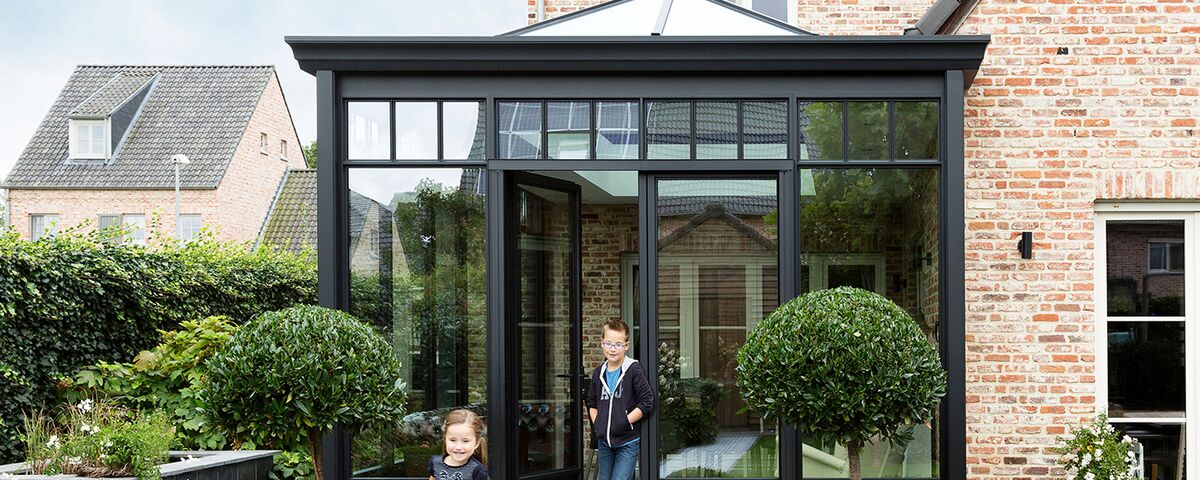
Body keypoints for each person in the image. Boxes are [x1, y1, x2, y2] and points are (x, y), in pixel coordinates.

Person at [586, 318, 654, 480]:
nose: (612, 349)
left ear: (626, 346)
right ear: (602, 343)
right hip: (605, 443)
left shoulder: (633, 370)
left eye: (618, 344)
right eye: (608, 343)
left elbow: (647, 402)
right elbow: (591, 402)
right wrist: (599, 424)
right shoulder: (598, 373)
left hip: (627, 443)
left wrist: (624, 422)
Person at [429, 409, 489, 480]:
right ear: (445, 439)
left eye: (465, 441)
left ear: (476, 443)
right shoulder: (435, 463)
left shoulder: (477, 471)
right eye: (453, 440)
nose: (458, 447)